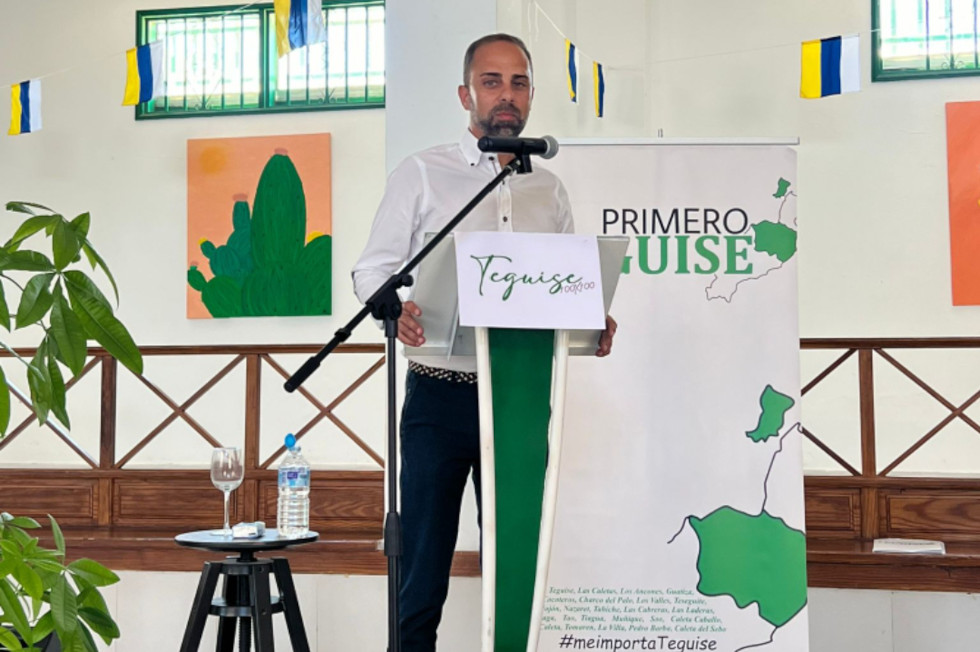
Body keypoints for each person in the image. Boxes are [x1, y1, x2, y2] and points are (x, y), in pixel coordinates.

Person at [352, 33, 616, 652]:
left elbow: (566, 282)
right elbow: (373, 268)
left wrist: (594, 317)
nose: (506, 95)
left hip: (520, 396)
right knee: (422, 566)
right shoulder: (423, 173)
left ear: (531, 95)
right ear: (465, 94)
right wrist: (394, 306)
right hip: (438, 397)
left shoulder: (548, 189)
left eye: (518, 82)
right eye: (491, 81)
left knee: (515, 561)